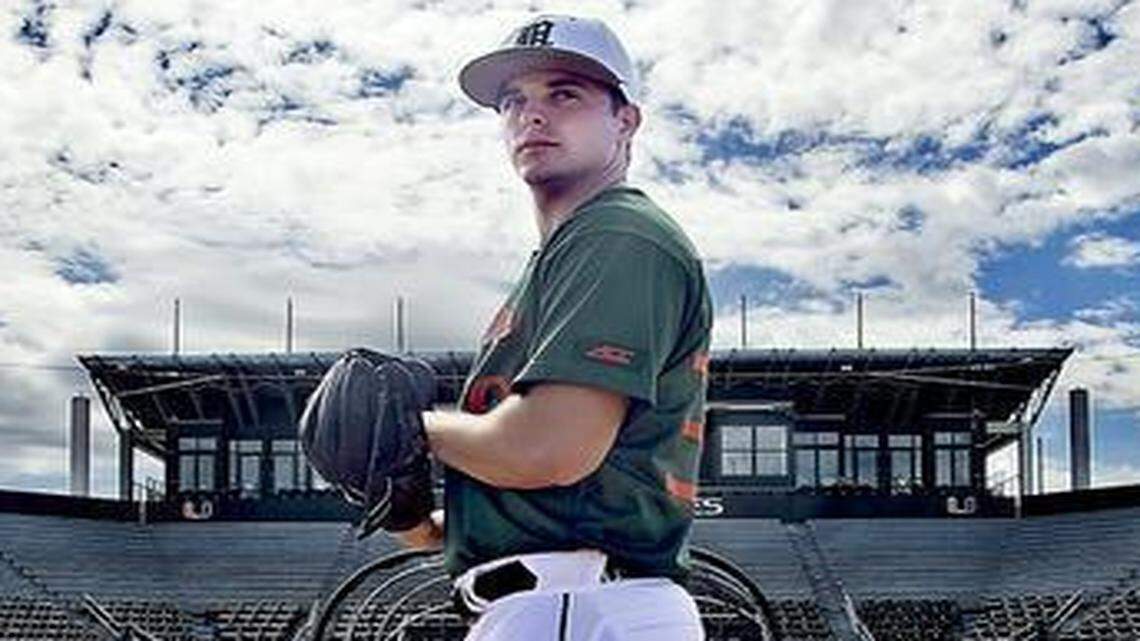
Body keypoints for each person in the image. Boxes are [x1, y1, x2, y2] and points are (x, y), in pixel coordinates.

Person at [399, 14, 713, 641]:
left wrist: (412, 428)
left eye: (564, 94)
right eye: (513, 101)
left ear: (626, 121)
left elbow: (548, 450)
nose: (532, 115)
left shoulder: (618, 234)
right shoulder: (568, 252)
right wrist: (403, 509)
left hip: (576, 602)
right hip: (562, 600)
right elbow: (511, 502)